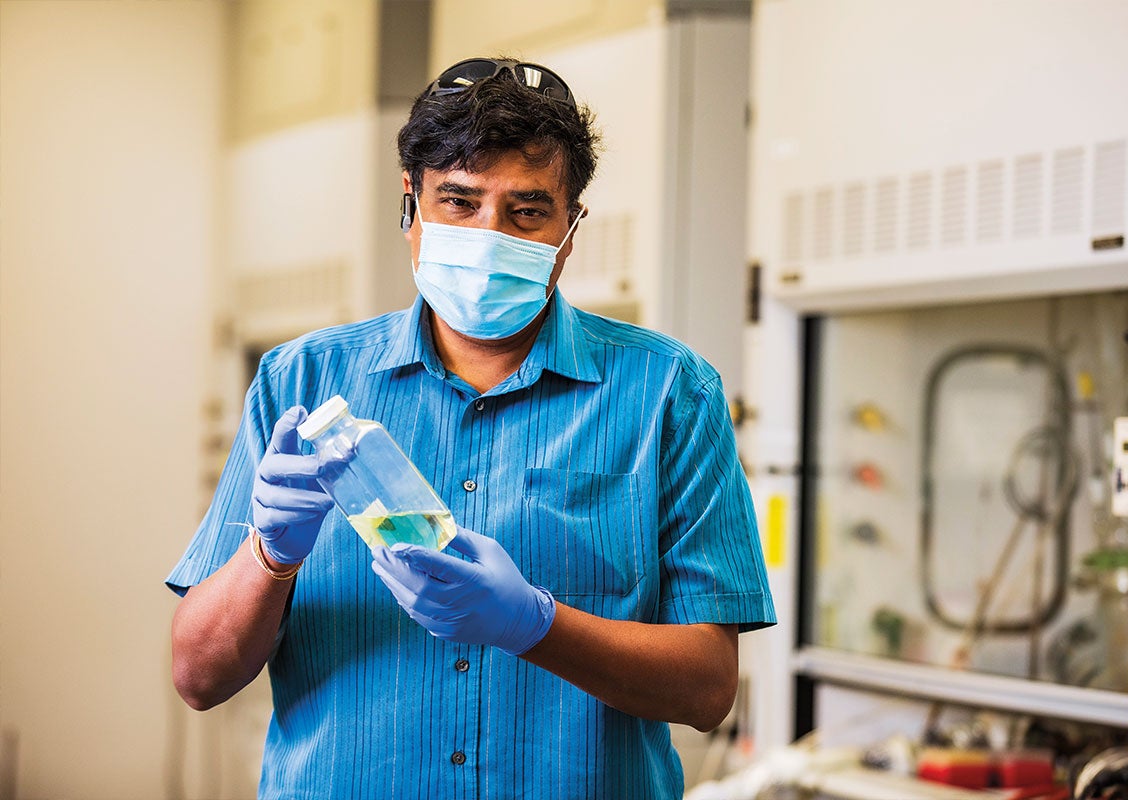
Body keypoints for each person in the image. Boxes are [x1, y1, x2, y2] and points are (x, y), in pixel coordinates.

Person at [168, 56, 776, 799]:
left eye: (526, 212)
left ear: (570, 228)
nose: (490, 235)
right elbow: (198, 678)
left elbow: (708, 690)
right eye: (458, 201)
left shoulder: (670, 393)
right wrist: (269, 557)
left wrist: (534, 625)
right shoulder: (303, 382)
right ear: (410, 206)